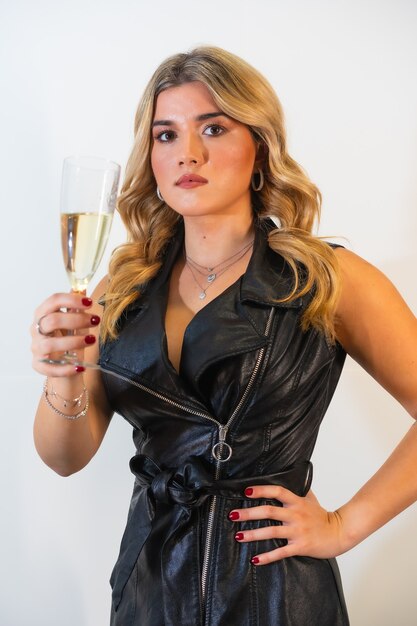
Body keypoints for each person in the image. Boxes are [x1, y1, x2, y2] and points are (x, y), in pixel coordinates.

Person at [31, 46, 417, 626]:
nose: (188, 152)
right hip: (149, 587)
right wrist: (65, 374)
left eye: (213, 128)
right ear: (151, 159)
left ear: (259, 149)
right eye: (166, 135)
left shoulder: (327, 279)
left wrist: (343, 526)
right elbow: (65, 458)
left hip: (274, 591)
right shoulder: (122, 287)